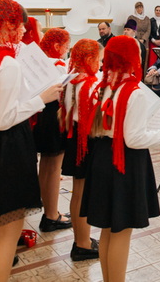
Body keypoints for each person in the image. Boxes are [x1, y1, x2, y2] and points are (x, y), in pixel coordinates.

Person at [0, 0, 63, 281]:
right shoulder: (7, 62)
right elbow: (4, 119)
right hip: (8, 149)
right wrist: (41, 99)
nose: (22, 31)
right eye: (19, 25)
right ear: (7, 24)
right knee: (8, 235)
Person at [81, 35, 160, 282]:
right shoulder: (134, 92)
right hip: (124, 162)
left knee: (107, 230)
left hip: (102, 158)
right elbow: (133, 138)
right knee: (121, 231)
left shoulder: (102, 86)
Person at [60, 38, 102, 261]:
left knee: (78, 191)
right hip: (87, 140)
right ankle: (83, 244)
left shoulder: (72, 78)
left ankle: (80, 239)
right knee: (84, 194)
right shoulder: (91, 83)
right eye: (99, 60)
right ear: (90, 59)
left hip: (74, 135)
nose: (100, 64)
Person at [36, 28, 73, 233]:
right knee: (53, 168)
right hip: (54, 116)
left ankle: (49, 210)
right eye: (66, 46)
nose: (67, 50)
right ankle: (51, 214)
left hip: (42, 115)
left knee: (46, 165)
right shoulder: (58, 65)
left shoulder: (39, 62)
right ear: (57, 46)